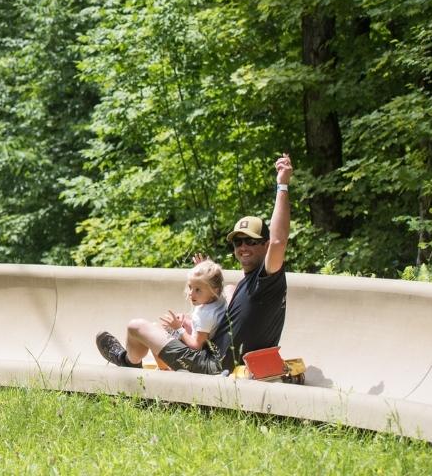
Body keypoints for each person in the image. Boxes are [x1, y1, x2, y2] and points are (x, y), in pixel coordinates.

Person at [96, 152, 293, 374]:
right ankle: (156, 365)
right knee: (223, 293)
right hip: (216, 357)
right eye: (238, 242)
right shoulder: (248, 285)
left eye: (251, 241)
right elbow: (222, 301)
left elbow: (279, 240)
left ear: (266, 246)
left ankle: (128, 361)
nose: (243, 247)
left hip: (211, 365)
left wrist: (282, 185)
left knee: (136, 327)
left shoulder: (266, 279)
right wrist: (207, 276)